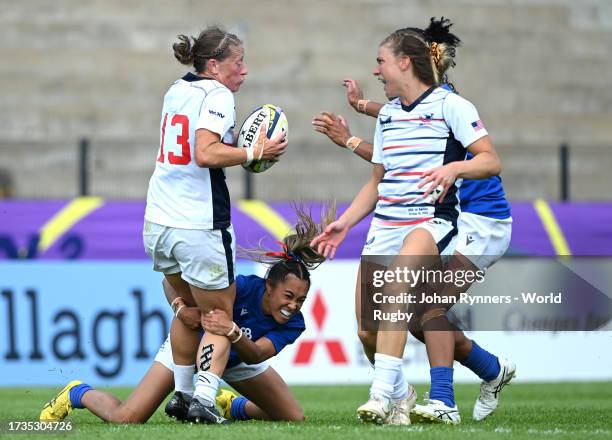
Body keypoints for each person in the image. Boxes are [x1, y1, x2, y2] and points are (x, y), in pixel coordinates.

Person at [312, 18, 515, 425]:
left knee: (423, 305)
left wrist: (454, 169)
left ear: (406, 62)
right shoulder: (391, 112)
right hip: (389, 222)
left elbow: (489, 159)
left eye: (380, 61)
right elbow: (383, 171)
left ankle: (418, 398)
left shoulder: (451, 105)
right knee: (372, 329)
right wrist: (346, 222)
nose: (375, 69)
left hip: (469, 223)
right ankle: (485, 371)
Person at [40, 204, 335, 424]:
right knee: (126, 419)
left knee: (293, 419)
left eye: (301, 299)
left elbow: (256, 354)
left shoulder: (295, 323)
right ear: (268, 287)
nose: (294, 305)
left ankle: (231, 406)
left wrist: (231, 330)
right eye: (289, 296)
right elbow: (169, 281)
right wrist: (180, 309)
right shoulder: (242, 288)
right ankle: (76, 392)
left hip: (238, 357)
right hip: (191, 350)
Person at [142, 26, 288, 424]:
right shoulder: (217, 94)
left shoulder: (177, 88)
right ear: (213, 65)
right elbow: (205, 153)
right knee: (220, 319)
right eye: (238, 63)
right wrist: (253, 150)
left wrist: (241, 147)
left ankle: (183, 394)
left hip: (158, 220)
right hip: (198, 224)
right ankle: (205, 399)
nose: (244, 71)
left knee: (188, 311)